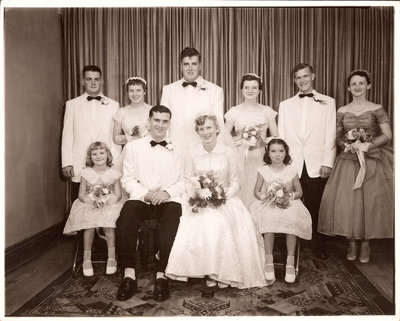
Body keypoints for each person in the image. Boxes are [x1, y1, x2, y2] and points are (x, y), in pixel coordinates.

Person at [165, 114, 267, 297]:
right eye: (202, 129)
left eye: (209, 128)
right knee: (203, 219)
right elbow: (188, 180)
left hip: (226, 199)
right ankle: (207, 270)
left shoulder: (229, 152)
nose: (206, 132)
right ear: (197, 132)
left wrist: (221, 196)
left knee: (220, 220)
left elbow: (235, 181)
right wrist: (199, 196)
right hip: (198, 199)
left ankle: (221, 272)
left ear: (217, 129)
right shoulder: (191, 153)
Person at [318, 70, 393, 263]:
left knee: (368, 203)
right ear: (348, 87)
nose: (357, 87)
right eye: (354, 84)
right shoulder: (342, 110)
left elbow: (387, 134)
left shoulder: (377, 108)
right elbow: (337, 135)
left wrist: (369, 144)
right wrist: (348, 144)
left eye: (361, 83)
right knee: (349, 203)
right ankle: (352, 242)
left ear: (368, 86)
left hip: (372, 160)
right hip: (349, 161)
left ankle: (366, 243)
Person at [116, 105, 184, 302]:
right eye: (156, 120)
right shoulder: (132, 147)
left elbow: (185, 180)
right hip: (141, 197)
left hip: (168, 198)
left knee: (172, 220)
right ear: (148, 122)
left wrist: (167, 192)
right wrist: (144, 194)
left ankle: (162, 275)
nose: (160, 125)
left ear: (169, 123)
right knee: (126, 218)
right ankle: (129, 274)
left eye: (165, 121)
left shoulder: (179, 148)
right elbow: (127, 180)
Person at [278, 63, 336, 258]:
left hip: (316, 163)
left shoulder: (328, 102)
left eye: (305, 76)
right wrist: (283, 165)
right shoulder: (285, 105)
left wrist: (327, 162)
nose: (302, 80)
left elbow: (330, 135)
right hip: (293, 163)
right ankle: (291, 245)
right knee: (289, 204)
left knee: (315, 204)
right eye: (298, 77)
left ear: (313, 76)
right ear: (294, 80)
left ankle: (316, 244)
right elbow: (282, 136)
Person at [250, 138, 312, 284]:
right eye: (273, 151)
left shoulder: (291, 170)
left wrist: (288, 196)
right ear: (268, 153)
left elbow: (299, 192)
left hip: (288, 203)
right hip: (269, 203)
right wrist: (265, 196)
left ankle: (290, 262)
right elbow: (257, 191)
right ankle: (268, 260)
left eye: (281, 151)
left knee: (292, 222)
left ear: (286, 152)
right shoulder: (263, 170)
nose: (277, 155)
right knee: (268, 223)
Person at [61, 65, 121, 202]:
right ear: (83, 81)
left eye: (97, 79)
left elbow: (114, 137)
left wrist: (116, 164)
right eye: (89, 79)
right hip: (80, 162)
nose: (93, 82)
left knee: (107, 201)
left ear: (102, 82)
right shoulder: (72, 105)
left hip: (105, 164)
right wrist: (66, 162)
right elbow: (67, 135)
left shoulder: (113, 105)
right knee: (80, 201)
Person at [63, 142, 122, 277]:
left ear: (108, 155)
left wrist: (108, 200)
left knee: (109, 224)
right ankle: (86, 259)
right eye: (94, 154)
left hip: (108, 204)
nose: (98, 156)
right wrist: (89, 200)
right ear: (90, 157)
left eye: (102, 153)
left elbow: (118, 194)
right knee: (89, 225)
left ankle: (112, 258)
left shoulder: (114, 173)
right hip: (89, 203)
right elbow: (81, 194)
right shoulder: (86, 173)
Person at [224, 73, 278, 208]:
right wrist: (238, 141)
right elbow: (224, 137)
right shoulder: (234, 111)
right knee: (241, 189)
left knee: (258, 188)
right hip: (239, 158)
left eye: (254, 88)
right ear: (241, 90)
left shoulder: (267, 111)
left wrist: (263, 141)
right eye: (246, 87)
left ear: (259, 90)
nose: (250, 91)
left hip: (260, 157)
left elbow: (276, 137)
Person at [160, 47, 226, 149]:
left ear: (199, 66)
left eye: (194, 64)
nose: (190, 68)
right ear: (181, 66)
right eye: (186, 64)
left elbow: (218, 124)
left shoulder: (215, 91)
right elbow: (163, 121)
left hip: (203, 147)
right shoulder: (168, 90)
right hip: (175, 147)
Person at [112, 76, 152, 173]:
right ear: (127, 93)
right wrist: (128, 137)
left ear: (144, 92)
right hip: (128, 154)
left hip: (149, 153)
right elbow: (115, 138)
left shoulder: (152, 110)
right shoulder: (122, 112)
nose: (135, 94)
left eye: (138, 90)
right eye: (131, 91)